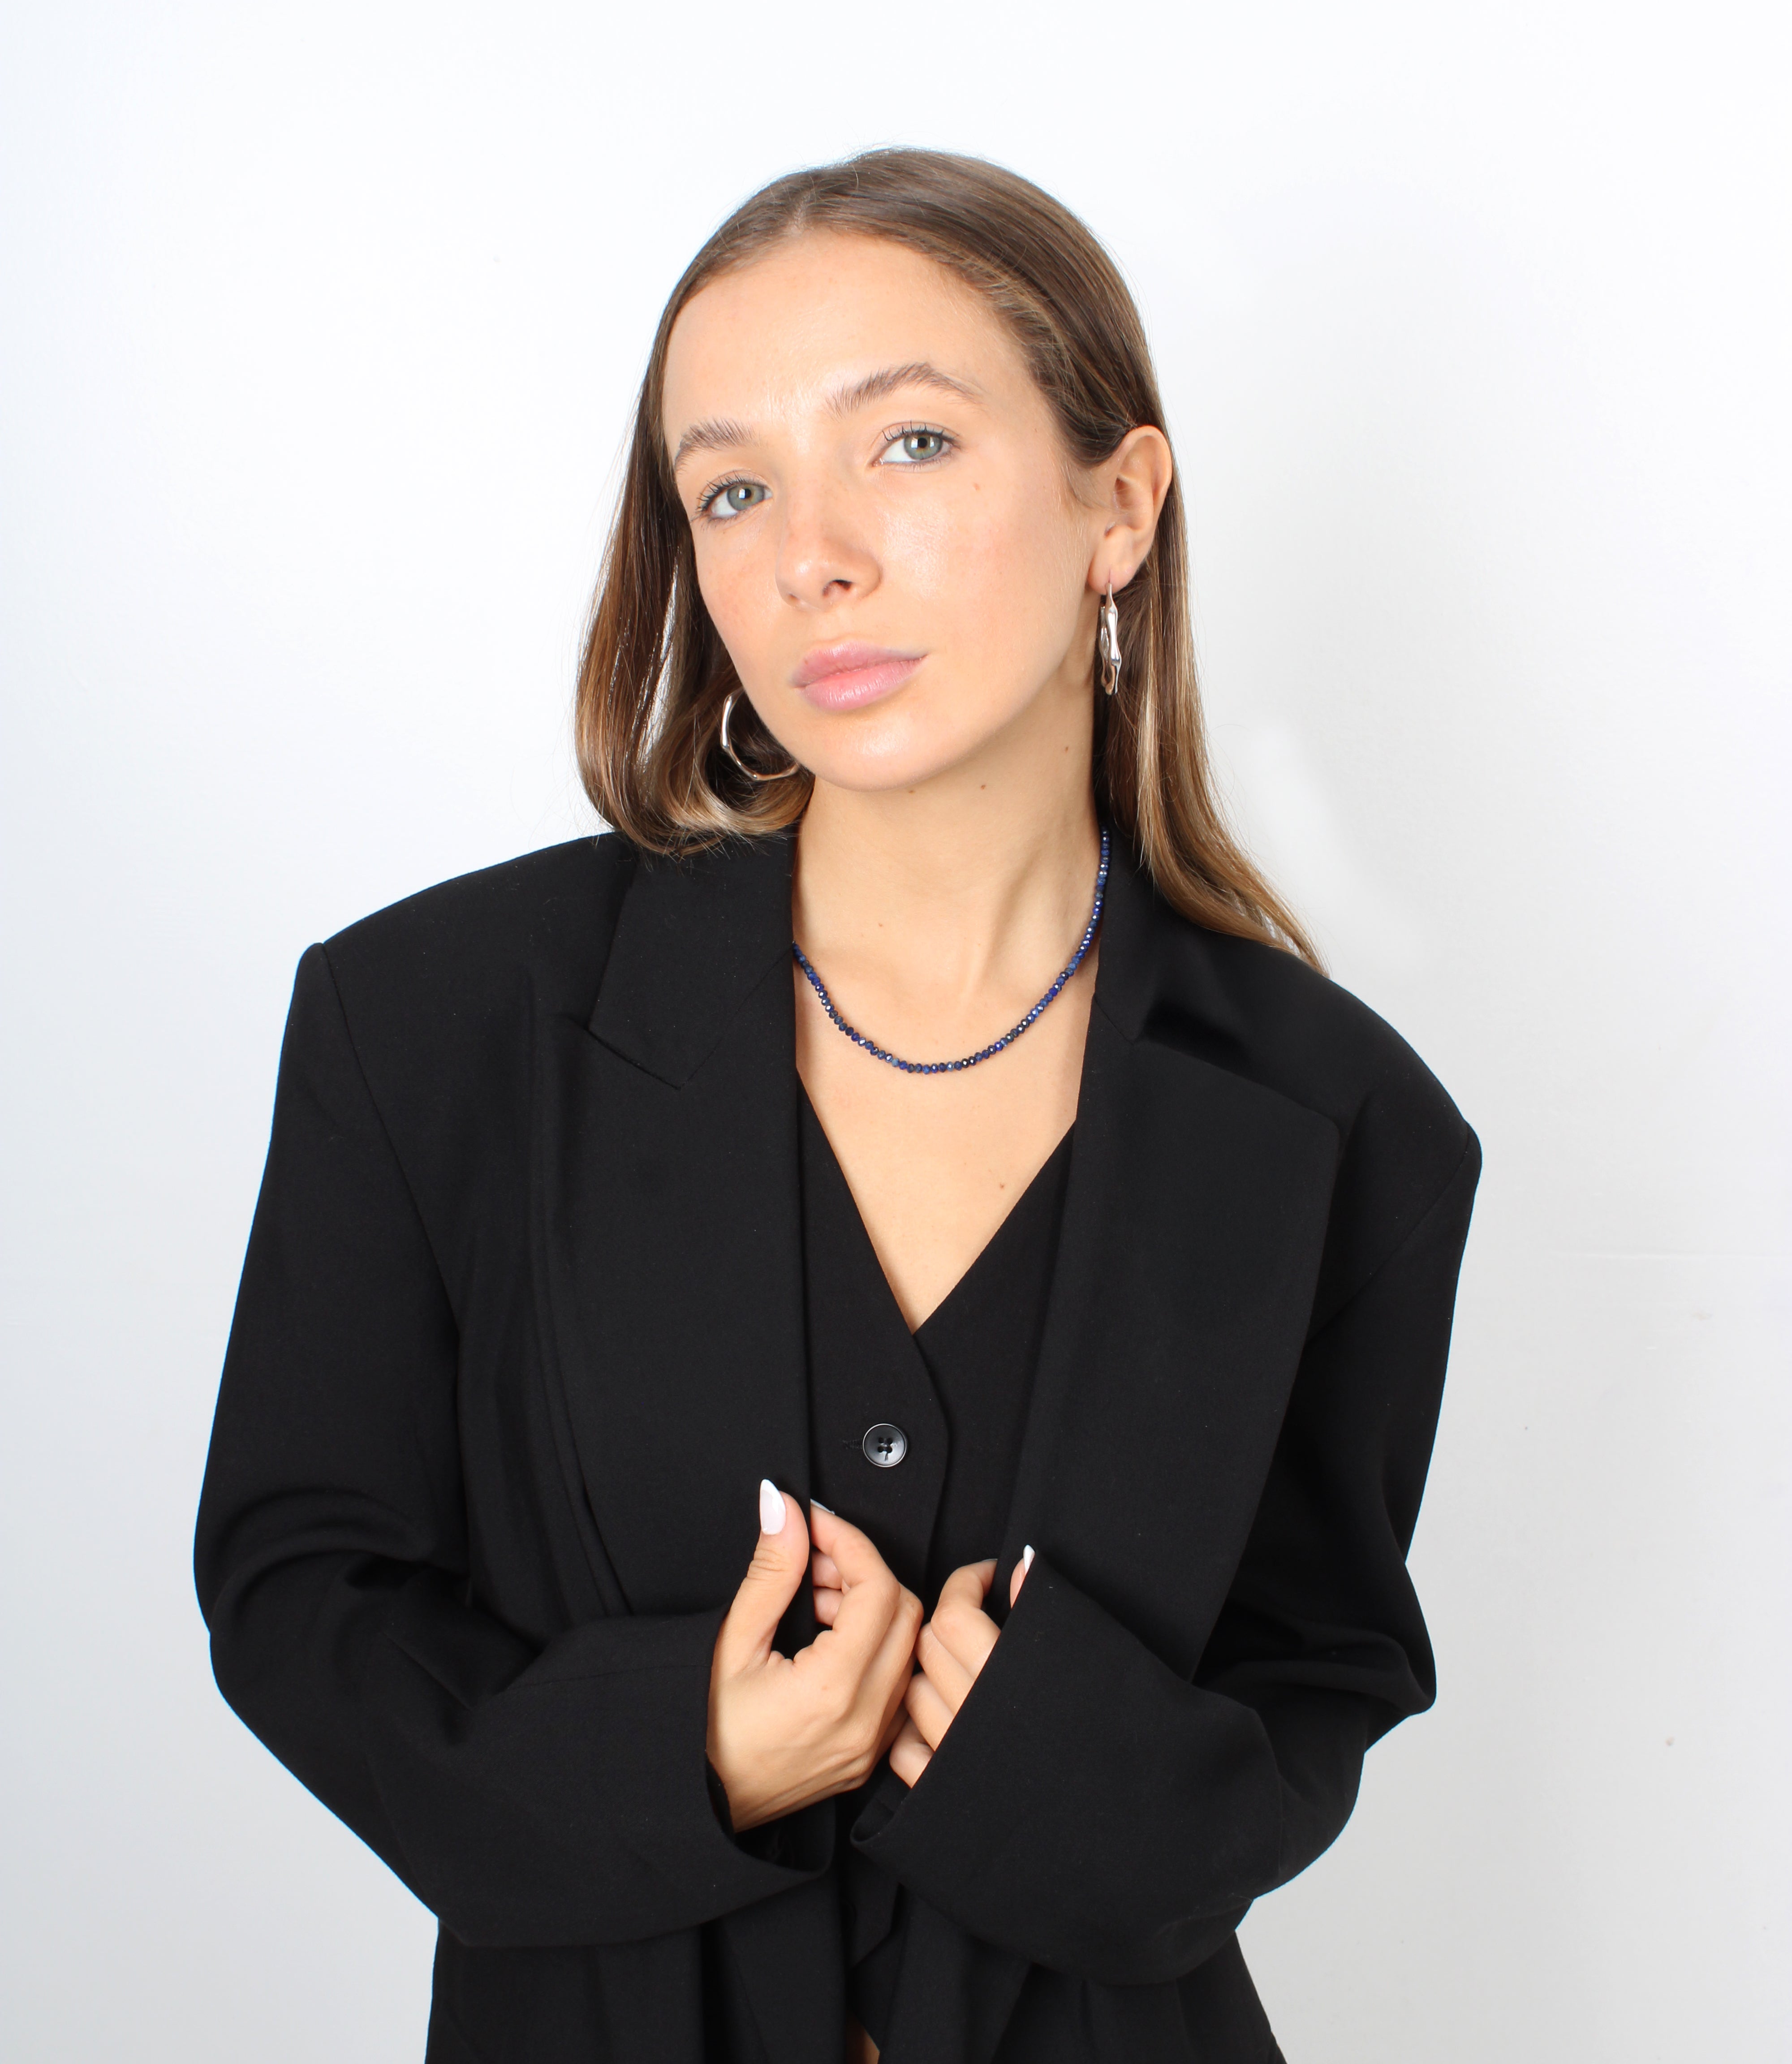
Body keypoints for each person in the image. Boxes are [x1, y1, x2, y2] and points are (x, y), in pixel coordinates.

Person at [195, 147, 1481, 2064]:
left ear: (1119, 504)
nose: (812, 554)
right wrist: (679, 1749)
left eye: (908, 445)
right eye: (733, 487)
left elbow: (1323, 1672)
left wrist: (1079, 1779)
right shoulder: (433, 1025)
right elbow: (301, 1590)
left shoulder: (1342, 1122)